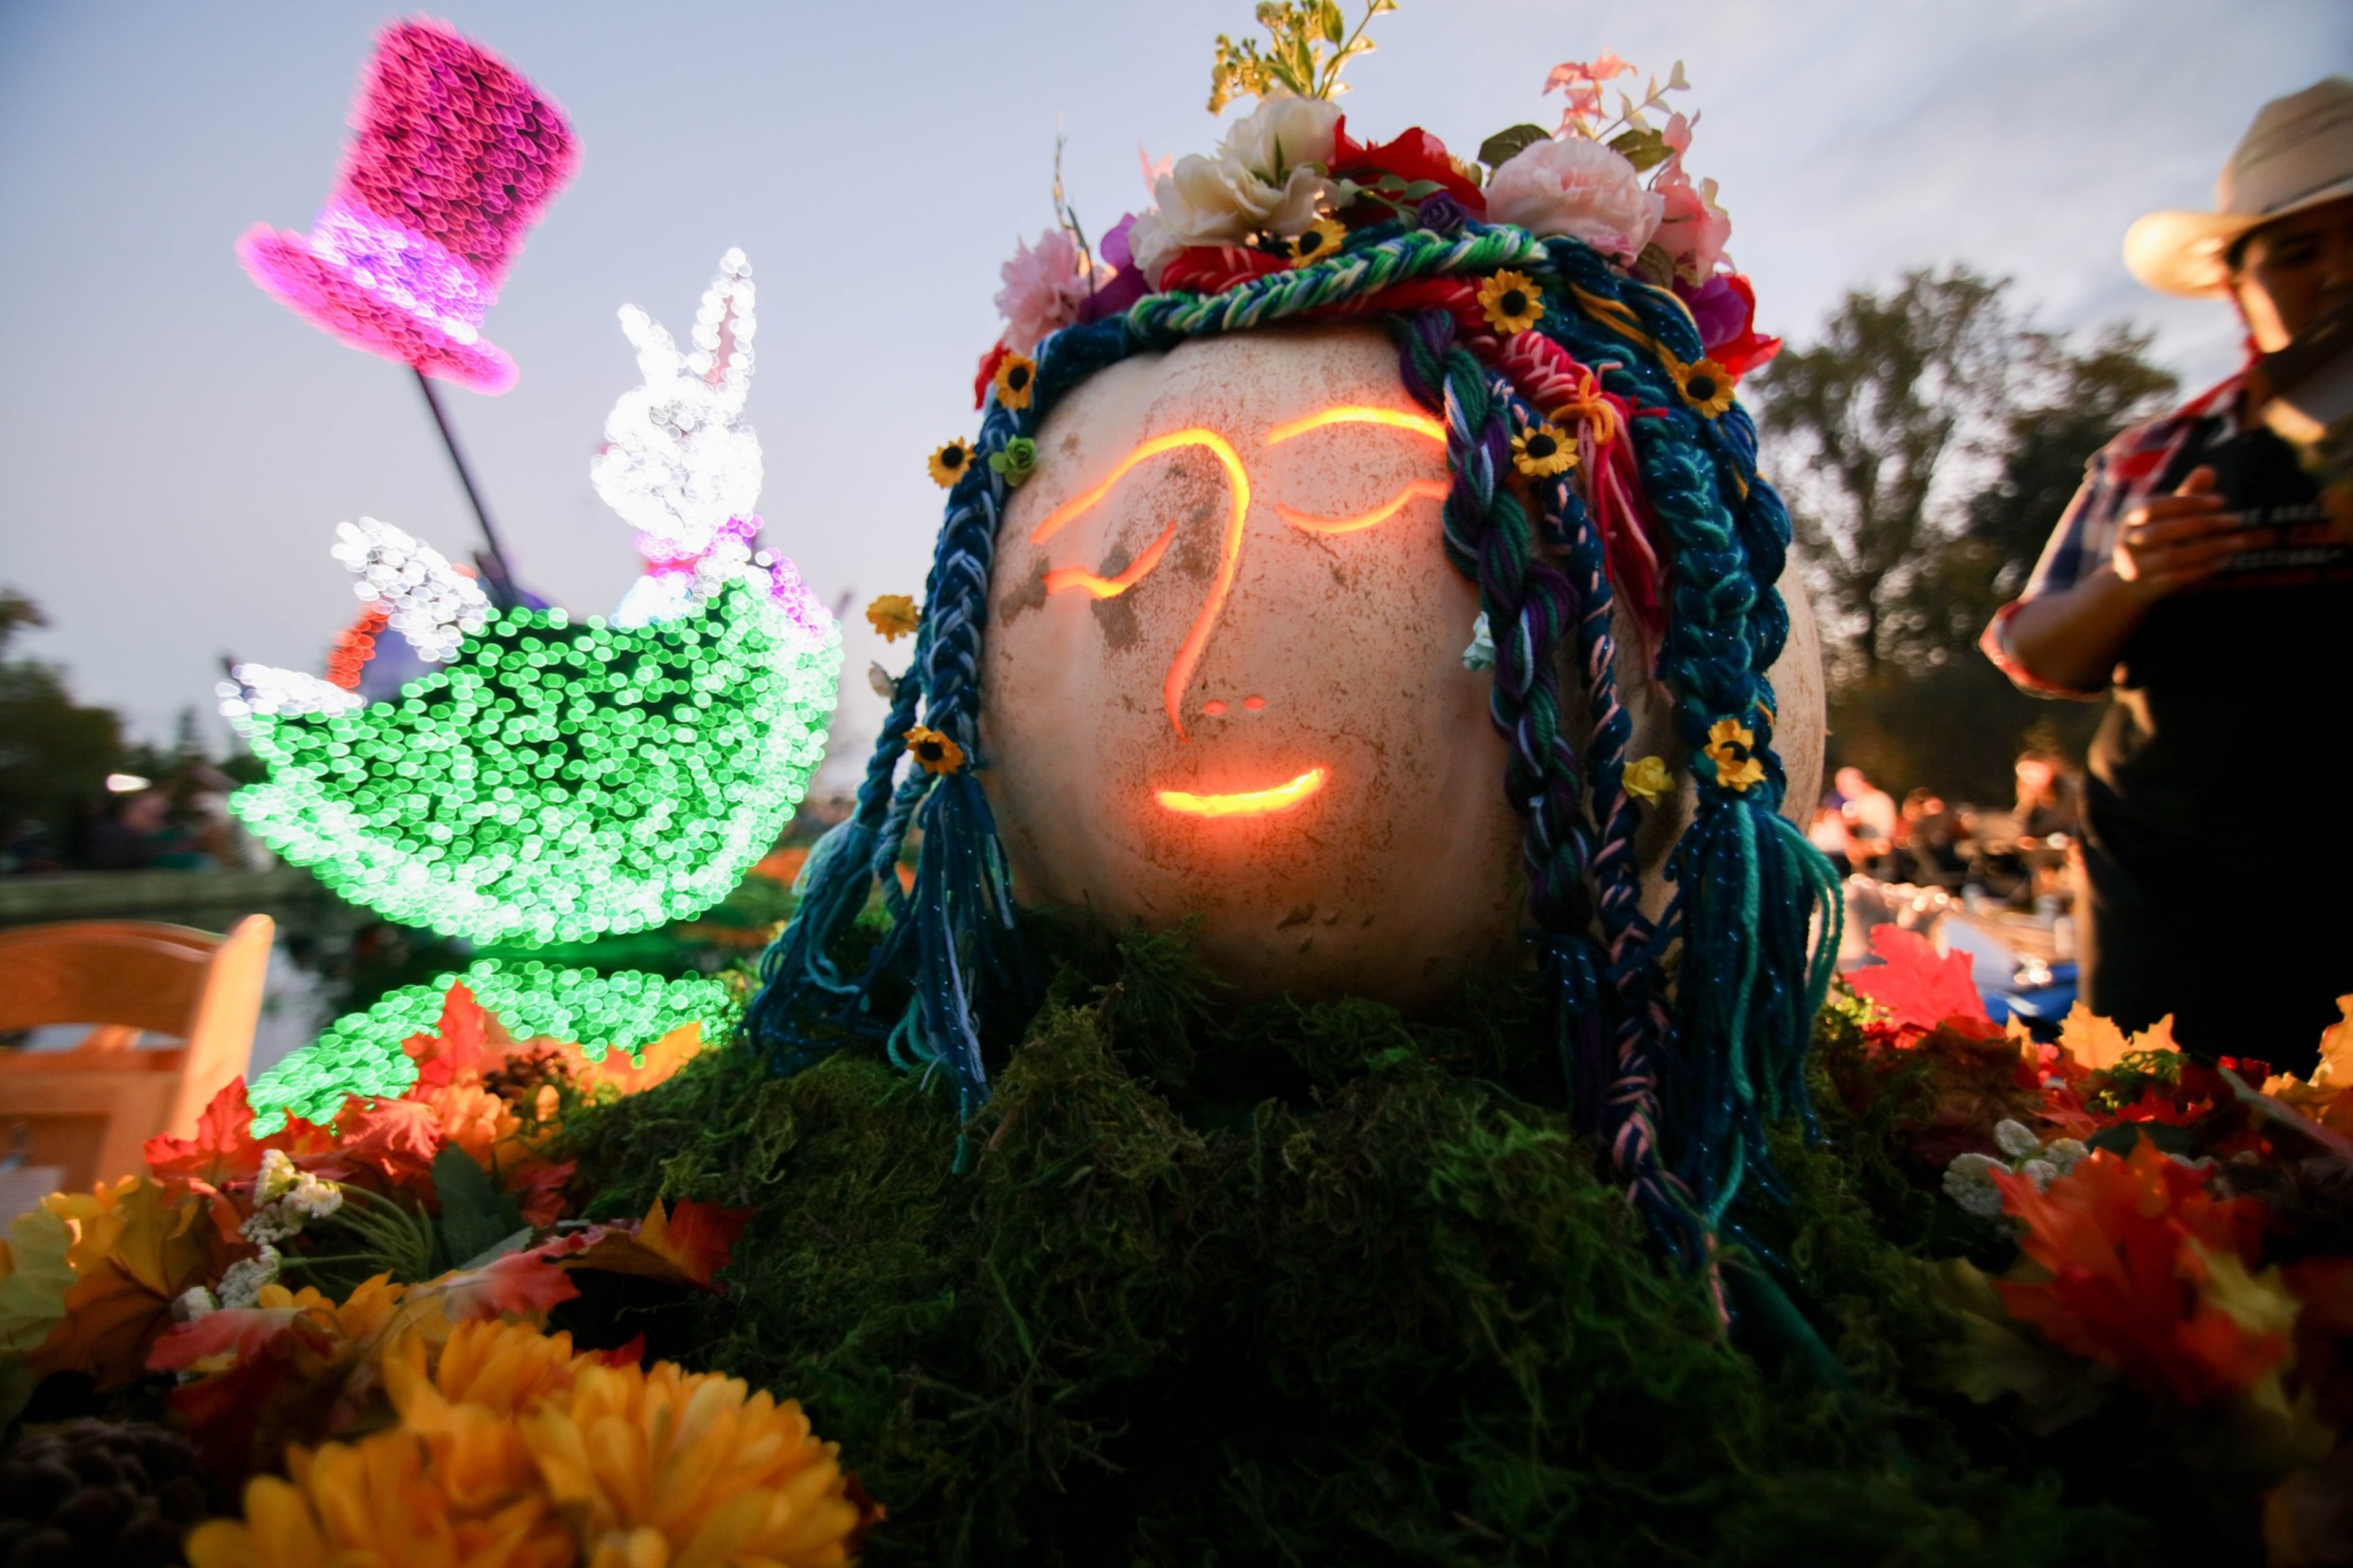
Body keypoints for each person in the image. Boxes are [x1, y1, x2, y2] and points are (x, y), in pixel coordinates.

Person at [1982, 78, 2353, 1075]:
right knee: (2170, 1155)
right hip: (2176, 887)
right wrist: (2131, 580)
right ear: (2240, 283)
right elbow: (2030, 649)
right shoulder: (2156, 456)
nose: (2337, 274)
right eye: (2299, 251)